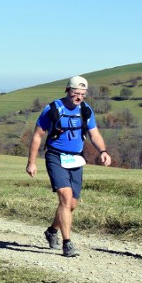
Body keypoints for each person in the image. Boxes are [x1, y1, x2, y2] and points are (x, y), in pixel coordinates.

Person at [26, 76, 111, 257]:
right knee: (65, 197)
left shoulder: (86, 111)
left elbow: (94, 134)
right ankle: (67, 243)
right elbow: (37, 136)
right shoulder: (53, 109)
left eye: (82, 94)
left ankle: (52, 231)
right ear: (67, 90)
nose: (79, 97)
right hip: (55, 156)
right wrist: (31, 162)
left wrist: (103, 151)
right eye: (75, 93)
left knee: (71, 204)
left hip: (76, 159)